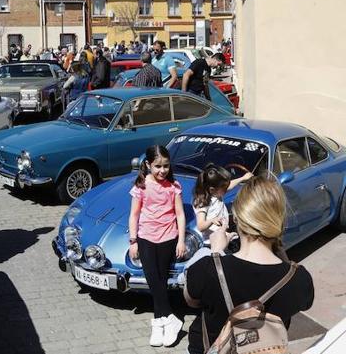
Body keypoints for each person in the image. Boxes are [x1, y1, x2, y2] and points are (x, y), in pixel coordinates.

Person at [184, 176, 315, 354]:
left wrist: (215, 252)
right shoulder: (299, 279)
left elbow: (191, 300)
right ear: (279, 223)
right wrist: (280, 249)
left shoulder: (207, 268)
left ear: (237, 219)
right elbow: (304, 301)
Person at [128, 145, 186, 347]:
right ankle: (171, 319)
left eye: (166, 166)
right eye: (157, 166)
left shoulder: (174, 186)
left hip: (168, 238)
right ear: (148, 165)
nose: (162, 171)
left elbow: (179, 213)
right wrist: (133, 241)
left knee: (160, 282)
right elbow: (134, 214)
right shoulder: (141, 186)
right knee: (153, 280)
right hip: (145, 238)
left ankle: (160, 323)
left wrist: (180, 240)